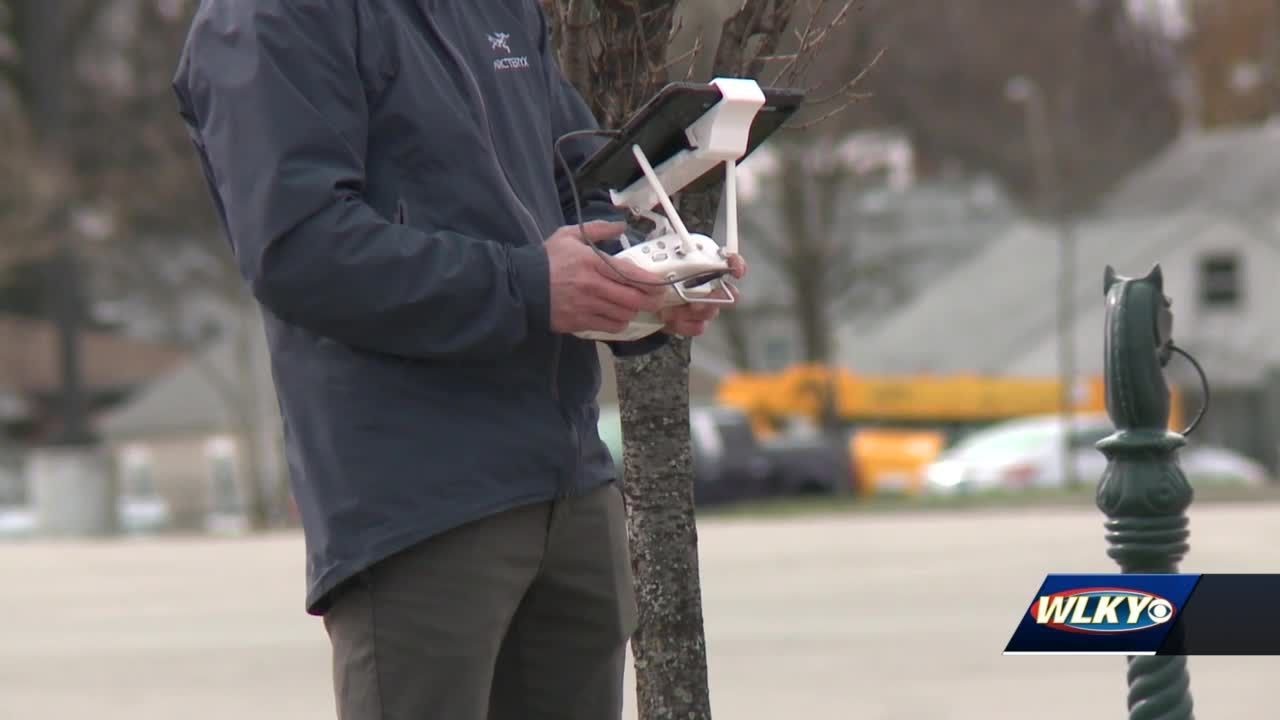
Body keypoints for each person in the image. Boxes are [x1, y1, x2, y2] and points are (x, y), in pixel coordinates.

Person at [172, 1, 747, 719]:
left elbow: (582, 182)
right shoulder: (271, 17)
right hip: (419, 500)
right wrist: (530, 286)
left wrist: (647, 281)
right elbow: (299, 251)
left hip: (569, 482)